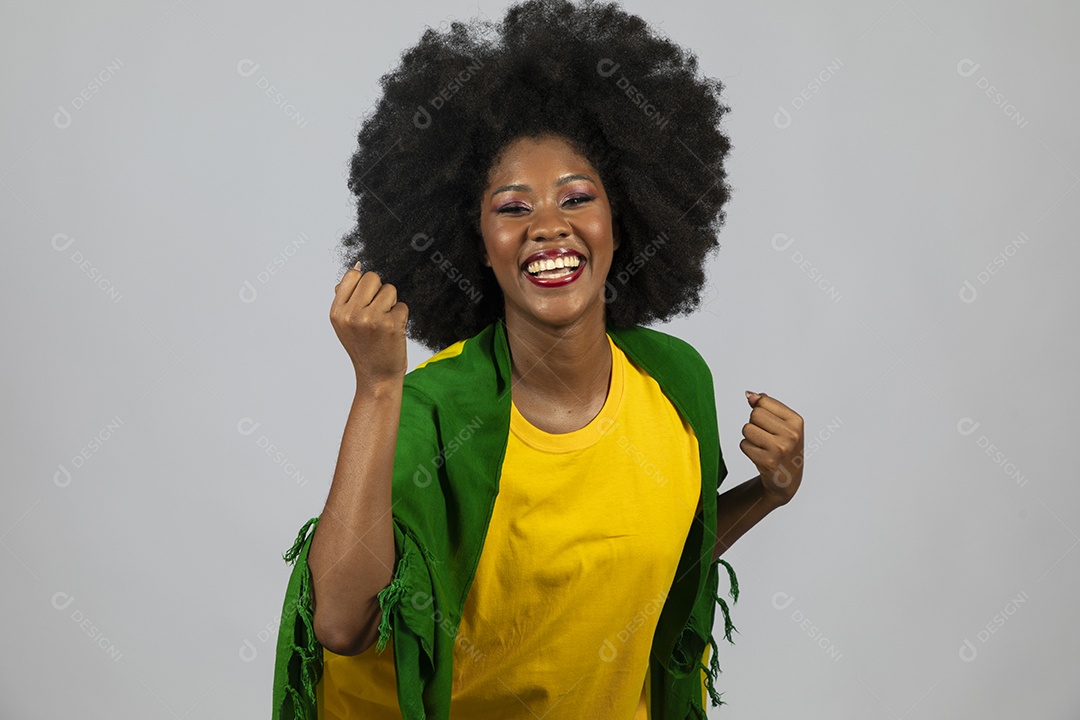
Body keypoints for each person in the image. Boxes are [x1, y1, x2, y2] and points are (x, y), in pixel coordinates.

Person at [272, 1, 805, 718]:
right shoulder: (433, 410)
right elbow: (342, 623)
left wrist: (766, 493)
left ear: (624, 218)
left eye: (577, 198)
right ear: (476, 241)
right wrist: (374, 388)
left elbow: (664, 561)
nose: (549, 226)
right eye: (513, 208)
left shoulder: (675, 382)